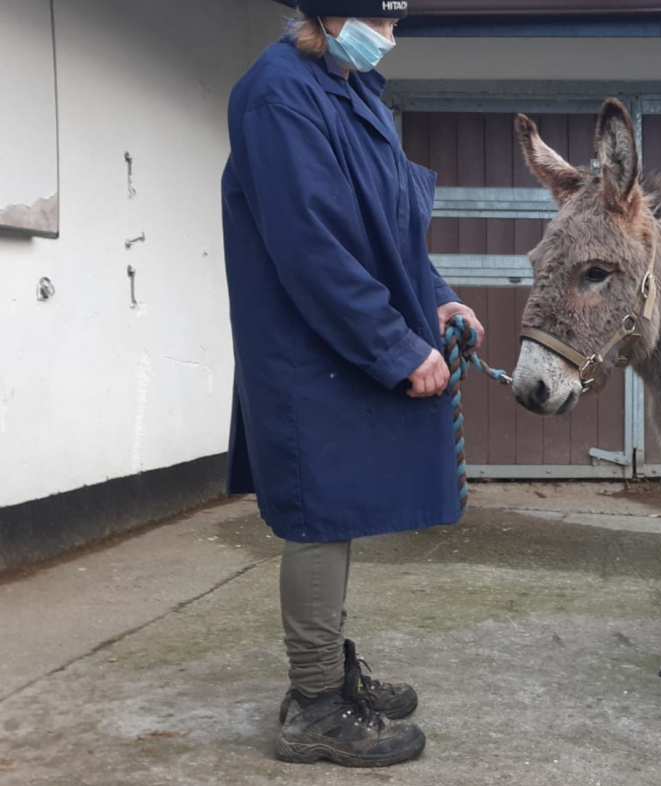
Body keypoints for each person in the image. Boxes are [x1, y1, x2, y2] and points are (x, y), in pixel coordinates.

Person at [220, 0, 482, 768]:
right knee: (319, 514)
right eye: (383, 23)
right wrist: (394, 346)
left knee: (340, 506)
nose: (391, 39)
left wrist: (435, 295)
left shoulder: (352, 87)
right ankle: (313, 705)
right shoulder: (277, 93)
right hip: (308, 345)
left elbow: (393, 218)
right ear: (328, 14)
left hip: (340, 337)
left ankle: (331, 668)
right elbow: (312, 244)